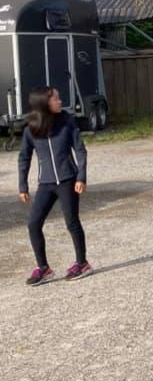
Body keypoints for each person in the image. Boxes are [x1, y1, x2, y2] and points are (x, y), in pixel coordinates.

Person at [18, 87, 92, 285]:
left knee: (72, 222)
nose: (60, 101)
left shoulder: (67, 122)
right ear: (44, 104)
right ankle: (43, 268)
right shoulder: (30, 130)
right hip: (46, 183)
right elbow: (24, 158)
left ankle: (82, 263)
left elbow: (80, 150)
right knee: (33, 223)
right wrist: (22, 186)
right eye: (56, 99)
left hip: (68, 180)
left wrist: (81, 177)